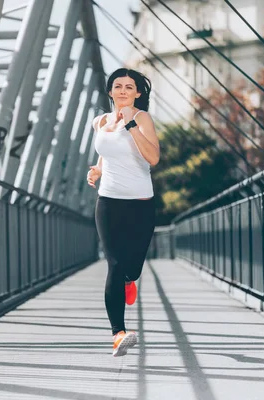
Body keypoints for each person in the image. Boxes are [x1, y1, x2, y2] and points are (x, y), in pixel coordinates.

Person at [87, 68, 159, 357]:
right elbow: (107, 151)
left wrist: (130, 125)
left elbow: (152, 157)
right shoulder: (100, 121)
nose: (123, 91)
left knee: (132, 268)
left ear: (138, 92)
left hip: (141, 204)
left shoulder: (142, 119)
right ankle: (118, 333)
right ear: (110, 91)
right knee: (114, 264)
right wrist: (98, 169)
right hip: (109, 202)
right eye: (118, 86)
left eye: (129, 87)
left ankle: (130, 279)